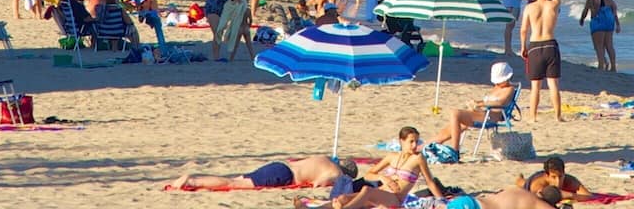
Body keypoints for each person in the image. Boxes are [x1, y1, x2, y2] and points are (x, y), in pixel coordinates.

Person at [326, 127, 448, 209]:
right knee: (342, 198)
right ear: (401, 141)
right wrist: (383, 178)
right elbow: (369, 174)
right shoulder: (392, 156)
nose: (415, 145)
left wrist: (442, 201)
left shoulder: (418, 158)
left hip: (395, 198)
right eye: (411, 141)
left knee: (366, 190)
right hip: (380, 193)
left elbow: (430, 182)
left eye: (417, 141)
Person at [428, 62, 518, 152]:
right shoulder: (497, 88)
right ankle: (430, 143)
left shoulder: (509, 89)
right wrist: (476, 102)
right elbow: (487, 101)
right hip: (484, 113)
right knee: (454, 125)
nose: (497, 83)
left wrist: (480, 104)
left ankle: (455, 150)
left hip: (492, 117)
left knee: (455, 113)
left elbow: (501, 103)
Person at [168, 156, 354, 190]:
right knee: (233, 184)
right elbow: (318, 184)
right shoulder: (337, 173)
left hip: (279, 166)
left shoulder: (324, 158)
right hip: (283, 176)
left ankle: (198, 179)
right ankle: (191, 181)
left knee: (233, 179)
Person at [520, 0, 564, 122]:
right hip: (550, 44)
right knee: (553, 85)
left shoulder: (529, 8)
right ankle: (557, 116)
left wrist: (523, 46)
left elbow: (523, 30)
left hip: (535, 46)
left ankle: (533, 117)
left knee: (535, 87)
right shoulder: (553, 4)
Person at [579, 0, 619, 72]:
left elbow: (592, 5)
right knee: (609, 45)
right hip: (609, 20)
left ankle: (601, 65)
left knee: (598, 45)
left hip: (599, 20)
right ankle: (613, 67)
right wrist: (617, 23)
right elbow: (614, 7)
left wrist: (583, 19)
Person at [524, 157, 593, 201]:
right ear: (547, 176)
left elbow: (589, 196)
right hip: (533, 179)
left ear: (564, 173)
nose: (558, 181)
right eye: (553, 177)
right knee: (522, 183)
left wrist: (570, 195)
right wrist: (564, 195)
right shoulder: (538, 184)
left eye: (560, 177)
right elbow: (538, 199)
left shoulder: (569, 180)